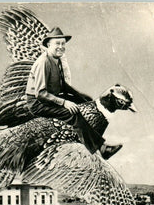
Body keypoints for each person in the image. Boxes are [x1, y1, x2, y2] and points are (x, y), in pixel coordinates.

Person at [26, 27, 122, 160]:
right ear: (48, 45)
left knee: (86, 100)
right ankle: (101, 148)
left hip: (51, 97)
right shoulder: (43, 62)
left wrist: (81, 97)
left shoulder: (56, 59)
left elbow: (62, 85)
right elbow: (41, 93)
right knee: (74, 113)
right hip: (39, 103)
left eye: (63, 44)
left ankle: (89, 136)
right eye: (57, 44)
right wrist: (65, 103)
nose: (61, 47)